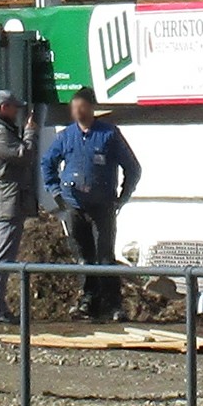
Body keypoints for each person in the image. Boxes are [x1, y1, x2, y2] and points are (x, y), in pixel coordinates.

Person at [44, 93, 142, 321]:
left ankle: (114, 304)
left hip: (103, 207)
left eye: (83, 106)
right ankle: (88, 301)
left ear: (92, 108)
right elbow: (47, 163)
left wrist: (122, 196)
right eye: (75, 107)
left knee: (105, 256)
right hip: (74, 207)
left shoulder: (109, 134)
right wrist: (57, 193)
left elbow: (133, 167)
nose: (78, 111)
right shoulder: (66, 136)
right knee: (82, 257)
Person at [0, 90, 38, 323]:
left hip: (8, 197)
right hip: (7, 199)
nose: (17, 112)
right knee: (3, 256)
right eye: (14, 108)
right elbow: (24, 155)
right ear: (3, 108)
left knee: (5, 255)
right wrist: (31, 131)